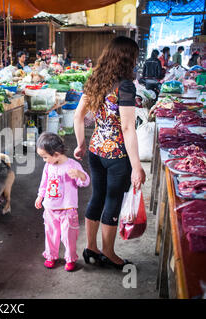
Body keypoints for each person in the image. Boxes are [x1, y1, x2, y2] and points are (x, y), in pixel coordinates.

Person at [73, 36, 146, 270]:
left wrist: (81, 144)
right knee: (112, 201)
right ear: (127, 57)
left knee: (97, 197)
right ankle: (109, 252)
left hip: (95, 150)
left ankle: (91, 248)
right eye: (134, 56)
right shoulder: (125, 86)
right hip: (116, 156)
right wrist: (136, 166)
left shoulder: (95, 80)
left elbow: (78, 116)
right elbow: (127, 127)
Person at [35, 132, 90, 271]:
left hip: (68, 209)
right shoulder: (48, 166)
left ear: (56, 154)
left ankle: (70, 258)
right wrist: (40, 197)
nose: (44, 160)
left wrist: (80, 175)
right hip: (50, 209)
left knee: (69, 236)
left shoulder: (72, 165)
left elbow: (85, 182)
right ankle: (51, 255)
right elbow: (44, 183)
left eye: (45, 157)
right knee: (50, 233)